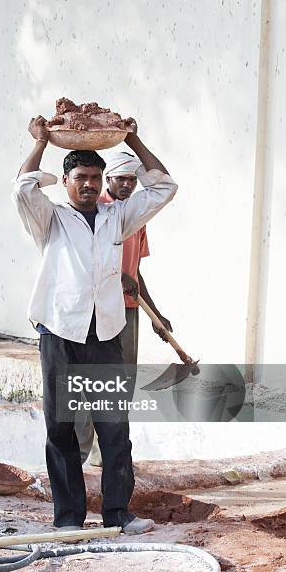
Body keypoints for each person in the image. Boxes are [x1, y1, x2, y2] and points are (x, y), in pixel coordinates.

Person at [12, 115, 178, 534]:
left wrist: (135, 140)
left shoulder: (117, 218)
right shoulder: (49, 220)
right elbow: (21, 187)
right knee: (62, 430)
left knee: (114, 430)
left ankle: (119, 514)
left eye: (94, 177)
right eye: (81, 177)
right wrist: (41, 143)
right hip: (60, 335)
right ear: (66, 182)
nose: (89, 184)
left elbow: (165, 187)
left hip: (105, 335)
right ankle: (69, 518)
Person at [77, 151, 173, 466]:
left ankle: (105, 455)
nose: (128, 185)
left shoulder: (134, 216)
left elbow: (136, 272)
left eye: (133, 180)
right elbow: (90, 264)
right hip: (99, 310)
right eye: (122, 179)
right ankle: (79, 453)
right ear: (109, 180)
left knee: (120, 384)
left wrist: (156, 315)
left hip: (129, 310)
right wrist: (118, 277)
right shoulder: (96, 212)